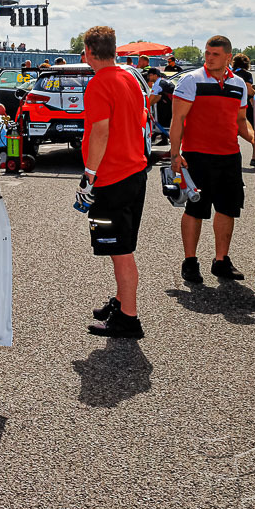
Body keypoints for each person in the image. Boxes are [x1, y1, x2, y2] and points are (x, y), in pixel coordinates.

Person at [78, 25, 150, 339]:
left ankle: (128, 318)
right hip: (134, 171)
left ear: (89, 52)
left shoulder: (99, 83)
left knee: (120, 251)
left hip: (113, 177)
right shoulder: (129, 77)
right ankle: (122, 302)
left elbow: (100, 131)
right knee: (122, 245)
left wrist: (89, 174)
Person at [171, 35, 255, 284]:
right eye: (207, 53)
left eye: (215, 54)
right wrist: (175, 154)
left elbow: (241, 121)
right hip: (197, 157)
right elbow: (177, 120)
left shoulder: (239, 84)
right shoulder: (191, 80)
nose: (209, 58)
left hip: (229, 157)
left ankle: (221, 261)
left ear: (228, 57)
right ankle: (190, 262)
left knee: (227, 209)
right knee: (195, 209)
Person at [233, 53, 255, 168]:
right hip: (245, 105)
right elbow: (248, 89)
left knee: (233, 131)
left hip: (232, 104)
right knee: (252, 130)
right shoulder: (246, 74)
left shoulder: (231, 73)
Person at [143, 67, 175, 143]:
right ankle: (163, 138)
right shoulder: (163, 80)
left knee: (162, 119)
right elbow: (157, 97)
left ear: (155, 75)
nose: (148, 77)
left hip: (169, 104)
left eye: (150, 75)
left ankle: (165, 138)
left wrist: (145, 108)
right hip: (172, 103)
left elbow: (151, 98)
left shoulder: (158, 84)